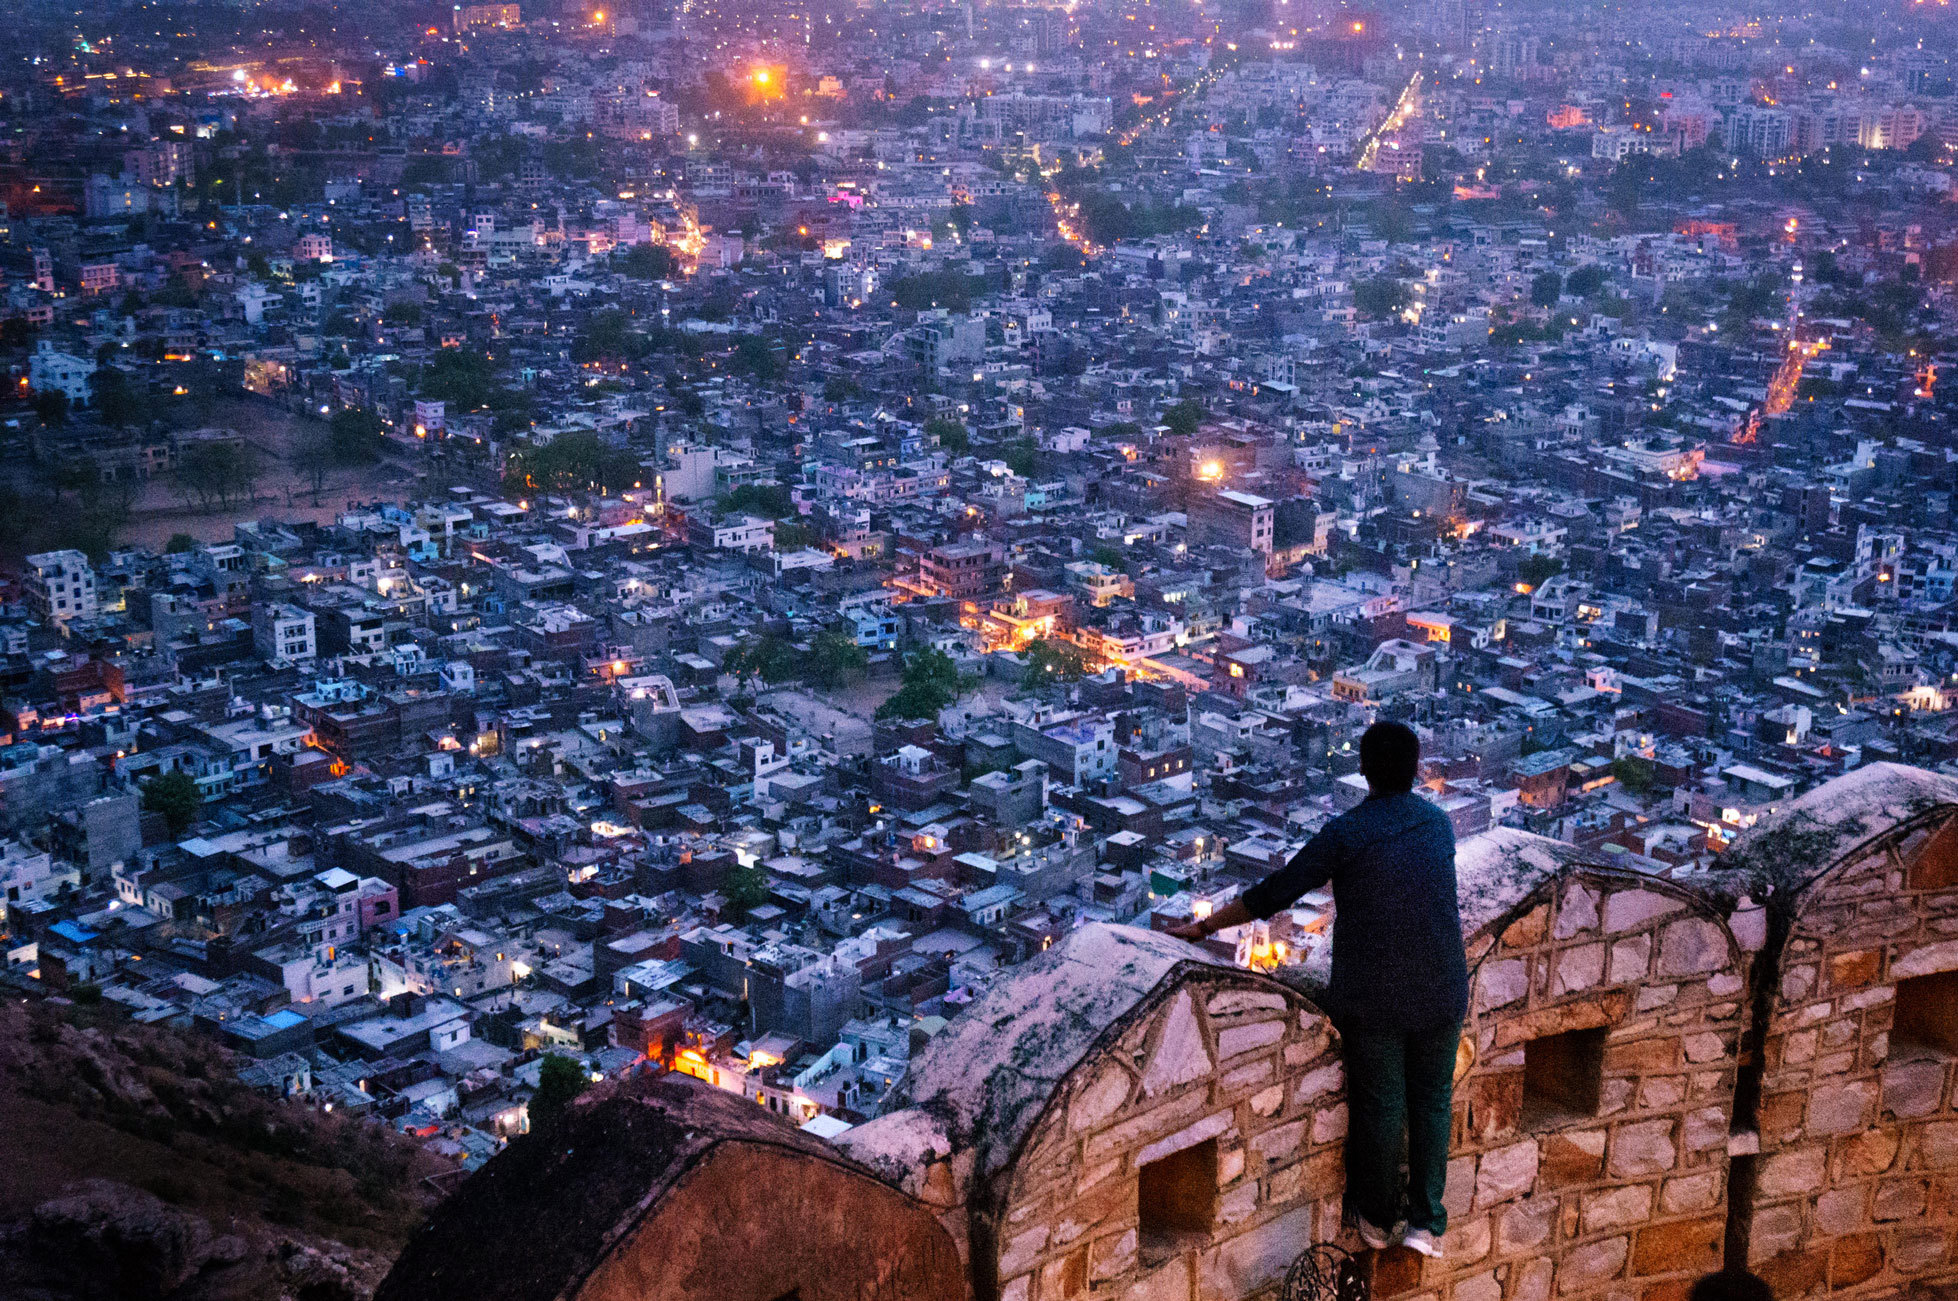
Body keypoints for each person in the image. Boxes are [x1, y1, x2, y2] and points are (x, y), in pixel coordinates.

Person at [1167, 721, 1466, 1258]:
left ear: (1363, 770)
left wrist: (1205, 927)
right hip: (1442, 986)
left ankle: (1375, 1220)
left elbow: (1276, 893)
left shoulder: (1346, 834)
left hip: (1376, 994)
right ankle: (1427, 1223)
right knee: (1432, 1104)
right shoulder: (1438, 826)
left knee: (1382, 1106)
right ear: (1416, 768)